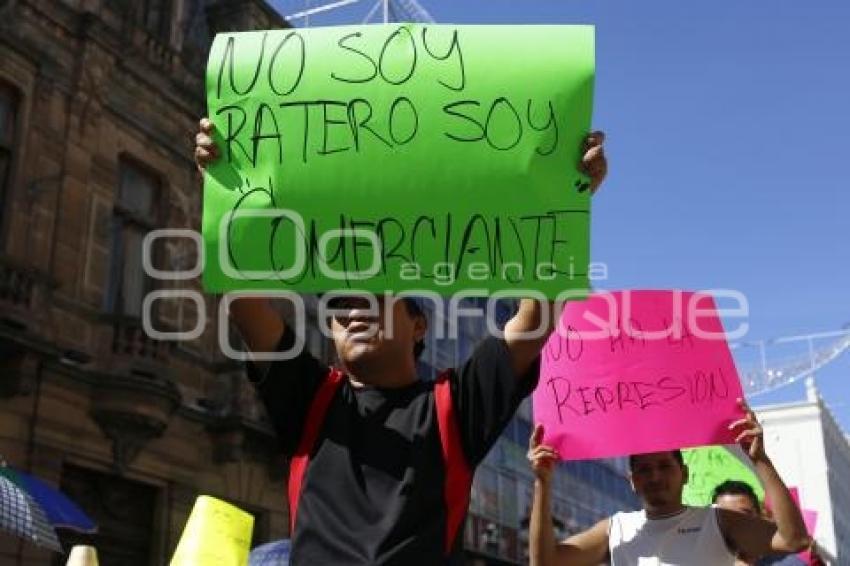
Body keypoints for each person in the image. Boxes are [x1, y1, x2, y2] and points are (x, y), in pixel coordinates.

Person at [195, 119, 608, 564]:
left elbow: (535, 317)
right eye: (338, 303)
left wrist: (568, 199)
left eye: (373, 296)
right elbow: (242, 302)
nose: (353, 311)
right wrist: (226, 193)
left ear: (419, 326)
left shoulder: (455, 406)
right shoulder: (310, 398)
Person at [527, 399, 811, 566]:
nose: (655, 476)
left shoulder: (719, 522)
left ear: (684, 473)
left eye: (664, 466)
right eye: (645, 470)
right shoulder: (615, 529)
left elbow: (794, 539)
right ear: (632, 481)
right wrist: (543, 481)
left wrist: (760, 459)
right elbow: (544, 562)